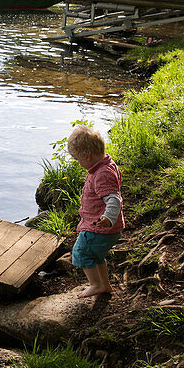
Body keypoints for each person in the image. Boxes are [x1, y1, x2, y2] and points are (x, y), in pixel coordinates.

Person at [67, 125, 124, 298]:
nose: (78, 162)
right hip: (105, 228)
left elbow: (114, 199)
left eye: (77, 159)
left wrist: (108, 218)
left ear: (87, 155)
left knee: (81, 252)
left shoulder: (102, 174)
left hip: (99, 228)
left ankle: (96, 285)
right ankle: (104, 285)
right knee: (97, 256)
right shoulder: (107, 165)